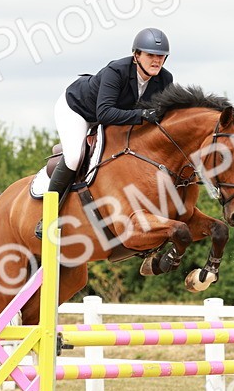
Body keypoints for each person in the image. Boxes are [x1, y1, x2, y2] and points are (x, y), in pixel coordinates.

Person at [36, 27, 174, 237]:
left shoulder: (165, 79)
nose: (156, 61)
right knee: (74, 156)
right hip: (78, 110)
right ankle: (48, 216)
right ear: (136, 55)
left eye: (161, 56)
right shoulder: (116, 71)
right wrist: (143, 115)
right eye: (150, 55)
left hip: (116, 118)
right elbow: (105, 113)